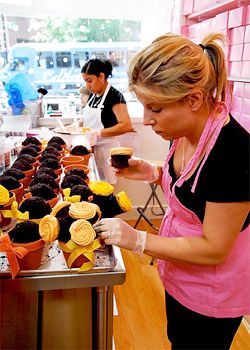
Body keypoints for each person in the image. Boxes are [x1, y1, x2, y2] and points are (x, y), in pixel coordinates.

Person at [94, 32, 250, 350]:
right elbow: (194, 188)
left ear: (193, 99)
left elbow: (214, 248)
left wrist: (138, 239)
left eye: (156, 109)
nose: (148, 120)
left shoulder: (232, 153)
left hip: (212, 293)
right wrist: (153, 172)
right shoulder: (182, 130)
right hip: (179, 275)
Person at [81, 58, 137, 183]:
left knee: (107, 189)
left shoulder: (114, 96)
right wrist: (76, 125)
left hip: (107, 151)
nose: (87, 85)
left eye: (89, 80)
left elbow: (126, 125)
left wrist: (98, 133)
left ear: (101, 76)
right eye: (85, 81)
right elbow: (87, 119)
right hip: (91, 150)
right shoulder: (93, 95)